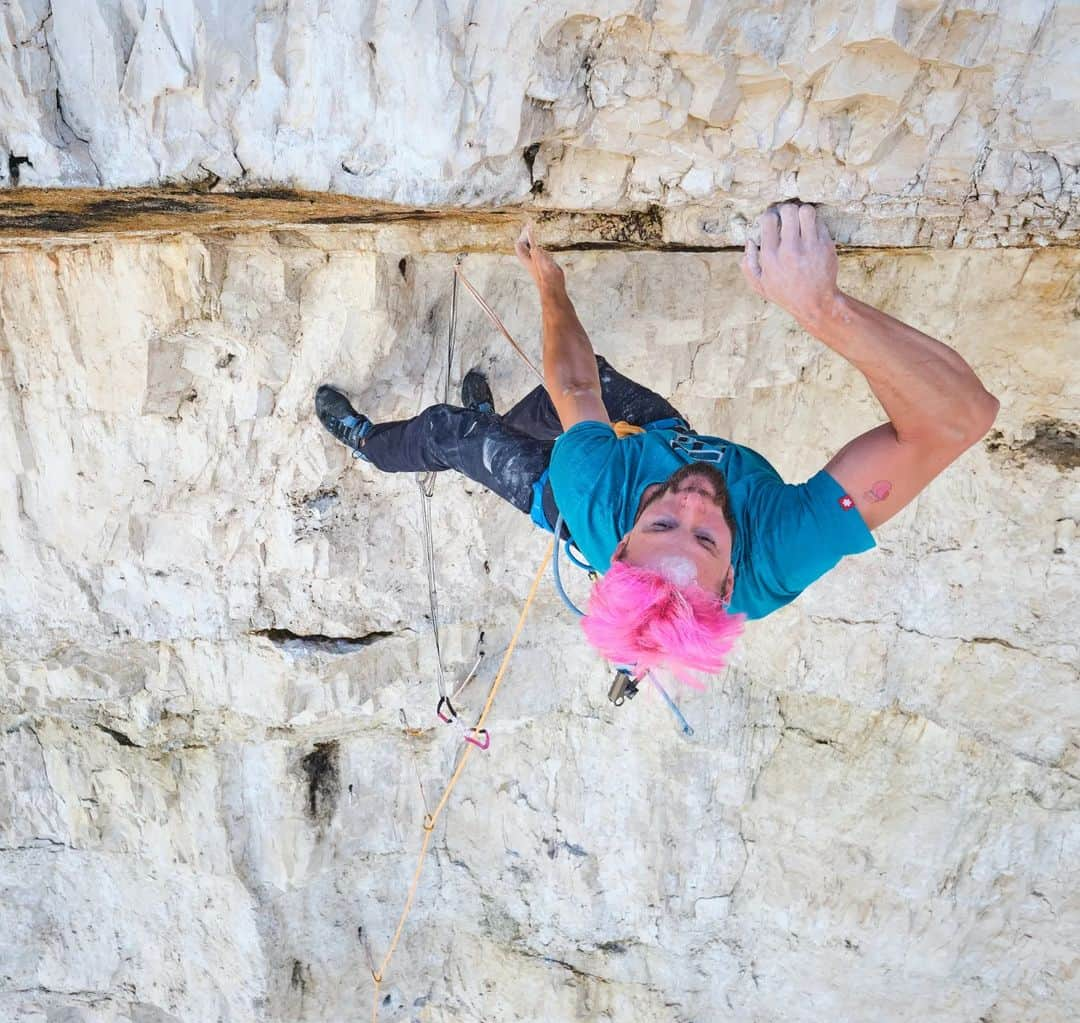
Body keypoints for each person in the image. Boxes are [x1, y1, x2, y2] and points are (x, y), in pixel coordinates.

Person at [315, 204, 999, 684]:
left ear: (619, 548)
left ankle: (371, 443)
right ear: (731, 580)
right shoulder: (778, 553)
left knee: (456, 433)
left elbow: (574, 381)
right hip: (661, 442)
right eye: (706, 540)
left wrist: (551, 286)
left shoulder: (588, 488)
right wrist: (821, 307)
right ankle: (486, 427)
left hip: (576, 485)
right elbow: (961, 418)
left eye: (666, 522)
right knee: (577, 403)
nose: (698, 503)